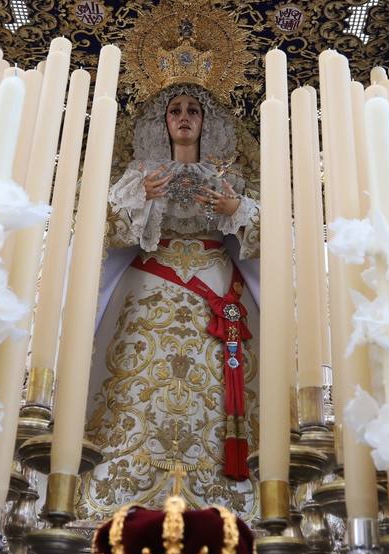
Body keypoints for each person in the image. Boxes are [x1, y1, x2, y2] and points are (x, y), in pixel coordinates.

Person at [80, 84, 260, 518]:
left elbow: (266, 236)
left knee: (215, 386)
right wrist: (141, 197)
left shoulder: (227, 177)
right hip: (147, 291)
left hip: (215, 291)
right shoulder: (140, 174)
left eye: (193, 110)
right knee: (132, 380)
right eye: (175, 110)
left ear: (205, 121)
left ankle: (221, 491)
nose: (184, 117)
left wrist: (237, 208)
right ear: (163, 123)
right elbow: (101, 230)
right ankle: (125, 482)